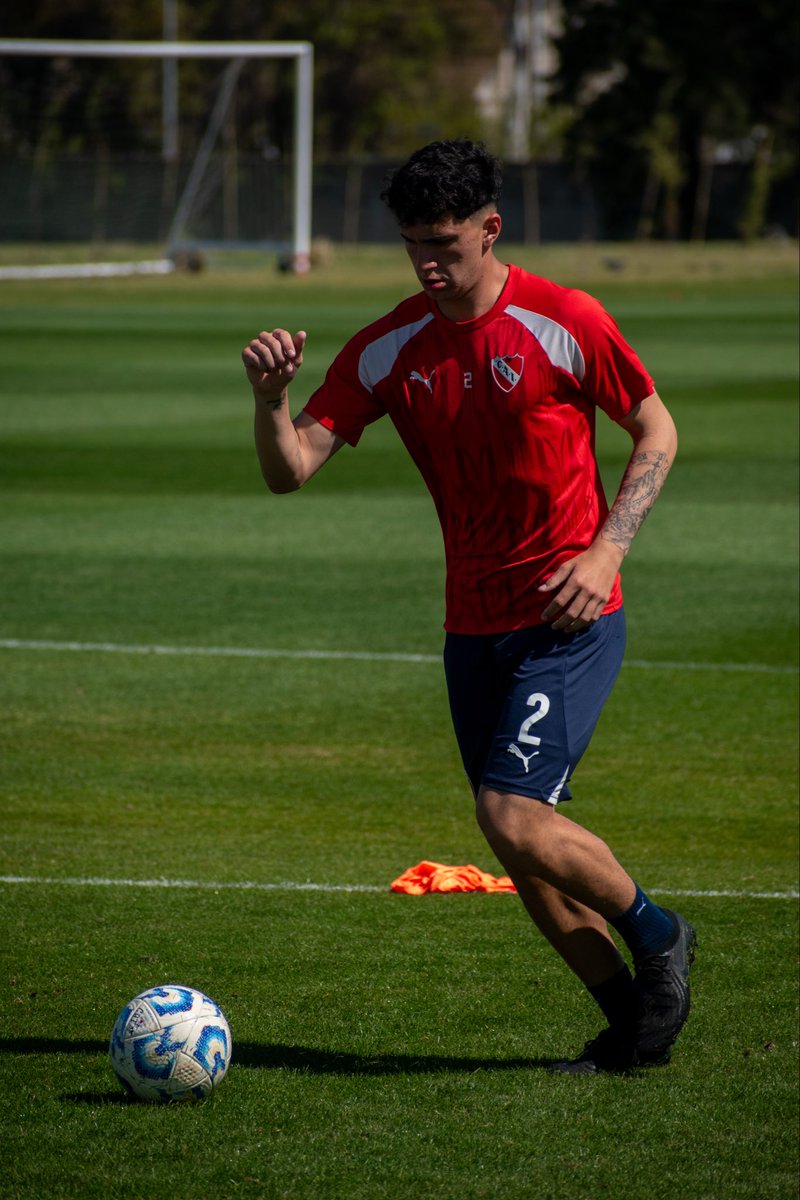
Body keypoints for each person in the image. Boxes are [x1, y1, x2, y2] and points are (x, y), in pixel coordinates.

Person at [241, 138, 696, 1074]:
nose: (428, 262)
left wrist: (608, 546)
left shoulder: (564, 319)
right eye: (413, 244)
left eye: (445, 242)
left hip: (572, 614)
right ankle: (631, 1024)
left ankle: (660, 936)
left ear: (491, 229)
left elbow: (656, 426)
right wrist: (271, 400)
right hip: (471, 627)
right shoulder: (388, 347)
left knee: (511, 817)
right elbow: (292, 470)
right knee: (528, 854)